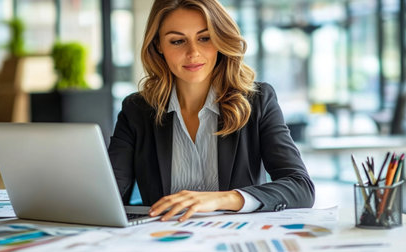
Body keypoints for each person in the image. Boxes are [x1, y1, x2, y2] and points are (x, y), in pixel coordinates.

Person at [108, 0, 315, 222]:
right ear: (158, 45)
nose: (193, 52)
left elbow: (300, 186)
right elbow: (108, 194)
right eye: (177, 41)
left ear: (220, 39)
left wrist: (222, 199)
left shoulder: (257, 101)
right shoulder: (136, 110)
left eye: (205, 38)